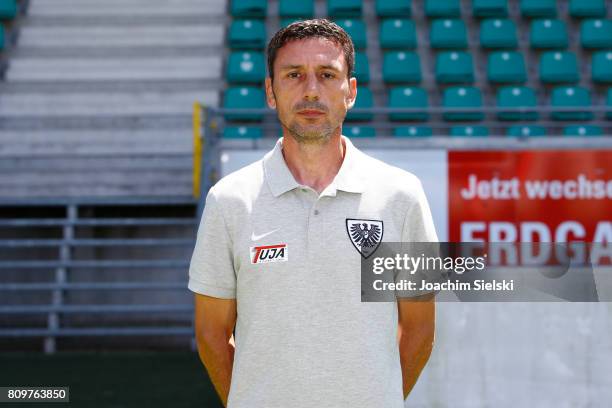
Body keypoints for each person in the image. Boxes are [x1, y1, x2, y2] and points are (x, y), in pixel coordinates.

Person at [189, 19, 437, 408]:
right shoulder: (229, 200)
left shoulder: (401, 195)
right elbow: (210, 334)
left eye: (326, 75)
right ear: (271, 91)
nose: (310, 91)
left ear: (350, 91)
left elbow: (420, 329)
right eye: (293, 75)